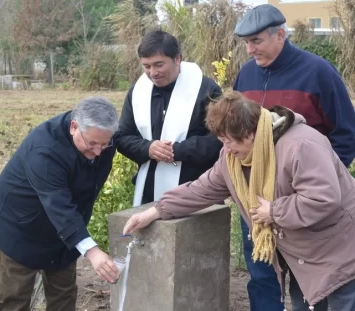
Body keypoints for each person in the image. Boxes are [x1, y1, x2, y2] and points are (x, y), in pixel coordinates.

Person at [123, 91, 355, 311]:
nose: (226, 149)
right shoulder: (234, 160)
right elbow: (201, 189)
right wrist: (156, 211)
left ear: (250, 133)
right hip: (305, 257)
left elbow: (322, 198)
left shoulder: (301, 145)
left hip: (341, 254)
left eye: (229, 141)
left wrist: (274, 211)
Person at [232, 4, 355, 310]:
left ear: (280, 35)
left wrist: (322, 181)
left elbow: (346, 133)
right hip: (256, 203)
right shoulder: (245, 75)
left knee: (313, 281)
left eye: (256, 41)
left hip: (302, 204)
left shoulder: (318, 72)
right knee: (261, 276)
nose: (249, 49)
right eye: (246, 42)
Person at [0, 97, 120, 311]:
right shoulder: (44, 150)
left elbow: (125, 142)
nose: (99, 152)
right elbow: (58, 205)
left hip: (67, 228)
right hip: (22, 226)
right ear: (74, 127)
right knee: (13, 297)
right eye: (92, 144)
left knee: (64, 294)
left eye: (105, 144)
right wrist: (92, 251)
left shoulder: (99, 136)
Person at [114, 30, 223, 206]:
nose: (153, 73)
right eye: (146, 66)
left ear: (177, 59)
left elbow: (220, 139)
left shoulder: (206, 90)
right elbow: (121, 137)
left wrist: (177, 151)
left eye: (159, 65)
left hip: (197, 189)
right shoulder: (137, 92)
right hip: (148, 193)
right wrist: (148, 148)